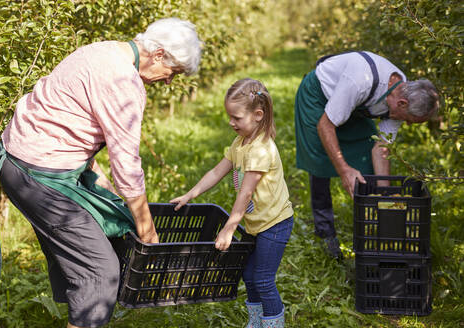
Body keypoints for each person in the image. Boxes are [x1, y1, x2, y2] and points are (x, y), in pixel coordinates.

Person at [0, 18, 202, 328]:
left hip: (19, 162)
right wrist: (147, 231)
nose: (169, 81)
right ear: (158, 54)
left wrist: (103, 186)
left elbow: (71, 123)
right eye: (173, 72)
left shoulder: (100, 52)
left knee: (96, 249)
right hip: (39, 177)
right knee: (100, 272)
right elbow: (126, 164)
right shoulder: (124, 83)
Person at [171, 78, 294, 328]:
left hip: (274, 223)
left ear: (258, 115)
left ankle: (274, 324)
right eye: (230, 116)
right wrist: (190, 194)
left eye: (236, 117)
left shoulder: (261, 149)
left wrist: (229, 227)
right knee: (248, 275)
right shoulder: (240, 143)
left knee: (263, 280)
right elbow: (217, 172)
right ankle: (256, 322)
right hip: (255, 223)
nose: (231, 123)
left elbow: (246, 193)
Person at [294, 51, 439, 259]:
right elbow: (326, 125)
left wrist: (387, 200)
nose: (406, 123)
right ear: (402, 105)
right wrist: (344, 170)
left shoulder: (403, 93)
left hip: (354, 105)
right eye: (408, 120)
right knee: (321, 161)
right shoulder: (360, 80)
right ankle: (326, 233)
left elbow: (381, 148)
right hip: (318, 95)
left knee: (366, 156)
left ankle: (374, 227)